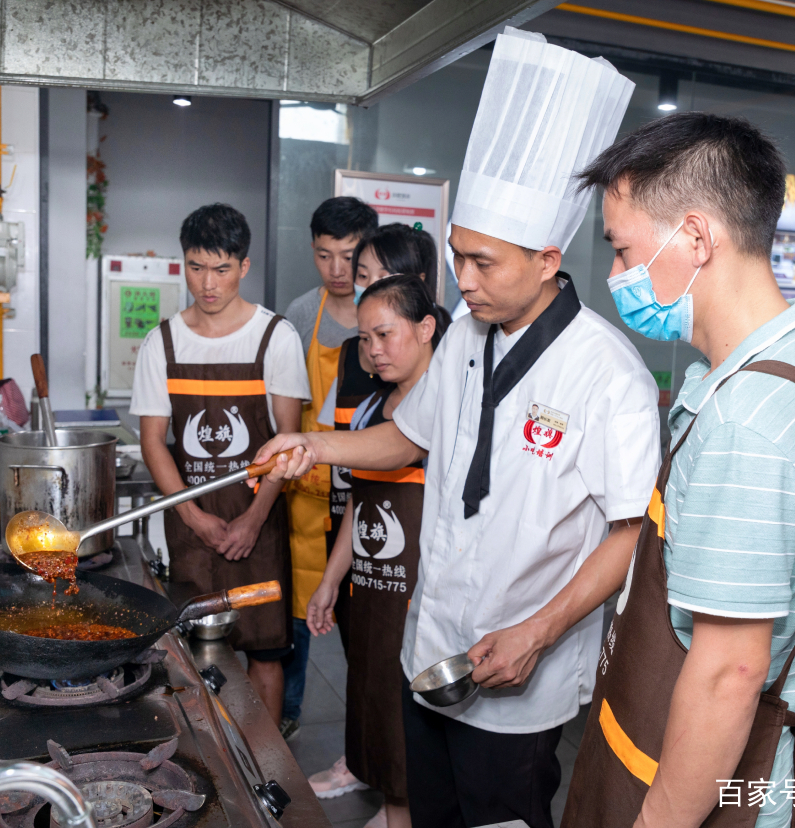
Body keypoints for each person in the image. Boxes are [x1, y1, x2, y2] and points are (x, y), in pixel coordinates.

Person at [257, 29, 659, 828]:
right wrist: (317, 444)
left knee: (501, 817)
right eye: (458, 258)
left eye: (484, 265)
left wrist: (539, 633)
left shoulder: (607, 374)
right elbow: (412, 439)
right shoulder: (466, 340)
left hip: (521, 668)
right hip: (433, 644)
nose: (461, 283)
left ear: (548, 259)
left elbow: (629, 536)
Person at [561, 114, 795, 828]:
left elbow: (730, 671)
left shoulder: (748, 422)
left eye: (624, 251)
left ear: (696, 238)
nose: (615, 278)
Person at [131, 204, 310, 725]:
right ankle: (212, 763)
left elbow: (287, 443)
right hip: (191, 528)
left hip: (259, 521)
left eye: (222, 268)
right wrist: (194, 518)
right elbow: (153, 443)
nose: (208, 284)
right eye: (195, 267)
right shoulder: (160, 342)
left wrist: (253, 520)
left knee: (266, 652)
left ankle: (267, 772)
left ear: (244, 266)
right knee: (192, 657)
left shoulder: (275, 337)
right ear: (183, 264)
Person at [307, 225, 444, 804]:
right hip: (369, 577)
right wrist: (332, 579)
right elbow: (362, 498)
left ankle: (402, 808)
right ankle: (388, 801)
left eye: (384, 334)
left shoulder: (444, 397)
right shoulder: (369, 399)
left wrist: (310, 445)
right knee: (369, 690)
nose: (373, 351)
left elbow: (403, 449)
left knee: (407, 711)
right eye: (365, 339)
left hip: (418, 590)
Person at [280, 196, 379, 740]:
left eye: (349, 257)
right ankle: (289, 711)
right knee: (297, 618)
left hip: (370, 486)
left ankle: (367, 734)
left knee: (366, 625)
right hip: (305, 493)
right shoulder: (299, 314)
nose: (337, 271)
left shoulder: (388, 313)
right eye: (324, 256)